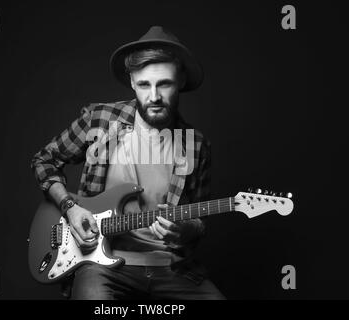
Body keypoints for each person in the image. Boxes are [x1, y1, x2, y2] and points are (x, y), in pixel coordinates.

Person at [31, 26, 225, 300]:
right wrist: (70, 207)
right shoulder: (99, 121)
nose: (154, 96)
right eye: (144, 84)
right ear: (132, 81)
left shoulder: (195, 145)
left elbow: (199, 219)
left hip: (171, 269)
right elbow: (45, 160)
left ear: (180, 80)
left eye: (165, 83)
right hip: (100, 264)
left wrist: (187, 229)